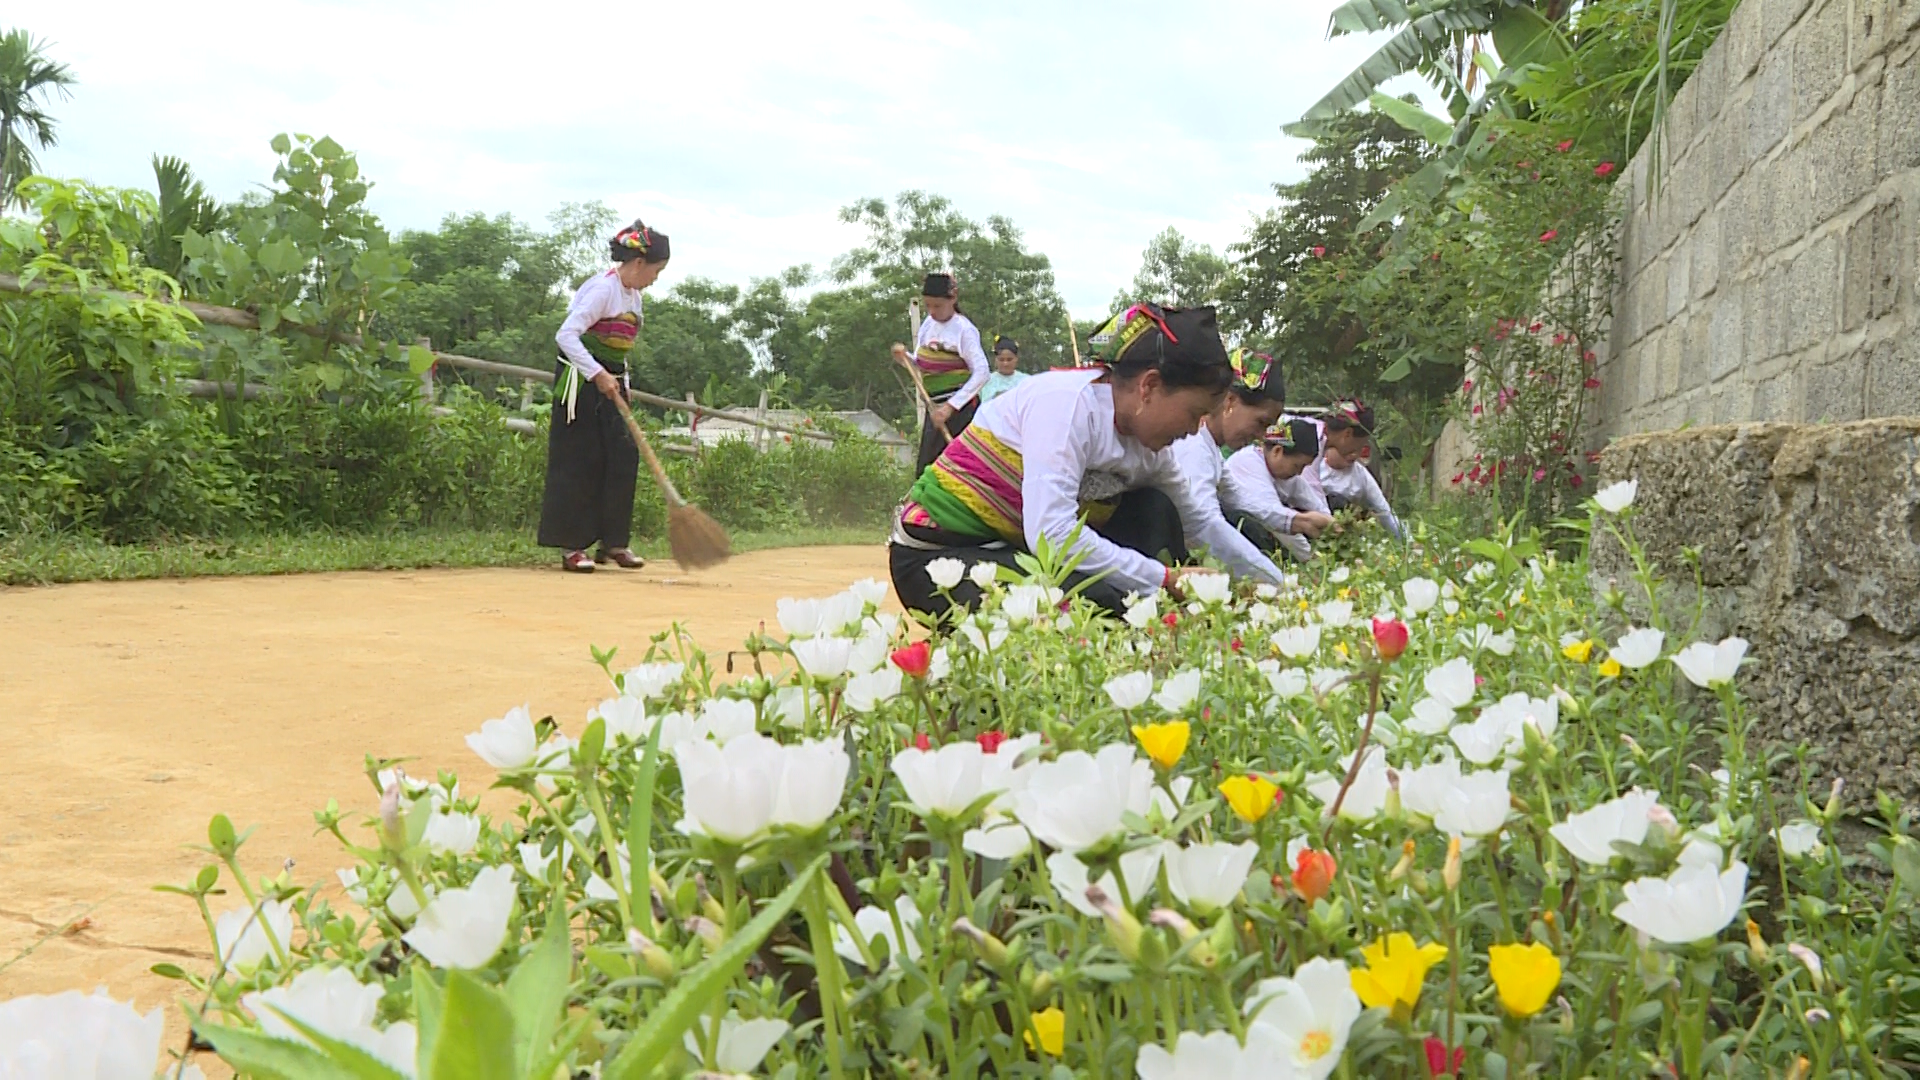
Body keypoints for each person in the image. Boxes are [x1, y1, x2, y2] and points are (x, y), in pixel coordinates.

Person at [888, 303, 1232, 619]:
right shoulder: (1067, 406)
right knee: (1092, 604)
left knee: (1156, 509)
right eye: (1194, 413)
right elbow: (1052, 534)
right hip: (939, 557)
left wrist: (1260, 584)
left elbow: (1199, 524)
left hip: (1015, 551)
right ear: (1150, 387)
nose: (1193, 431)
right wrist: (1164, 578)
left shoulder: (1152, 452)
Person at [537, 218, 670, 573]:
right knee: (581, 459)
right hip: (579, 383)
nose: (655, 279)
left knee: (623, 456)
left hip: (612, 383)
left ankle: (613, 542)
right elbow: (566, 335)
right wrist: (596, 374)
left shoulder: (634, 297)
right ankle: (572, 546)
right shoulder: (602, 290)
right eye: (656, 271)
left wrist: (621, 382)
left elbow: (619, 347)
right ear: (638, 263)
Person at [1159, 348, 1292, 585]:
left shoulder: (1211, 449)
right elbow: (1205, 525)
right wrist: (1277, 581)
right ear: (1230, 401)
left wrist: (1296, 521)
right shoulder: (1194, 446)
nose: (1261, 435)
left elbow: (1240, 498)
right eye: (1261, 422)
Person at [893, 272, 991, 474]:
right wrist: (904, 358)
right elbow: (921, 365)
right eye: (928, 305)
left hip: (961, 412)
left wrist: (949, 408)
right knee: (927, 470)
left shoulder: (964, 329)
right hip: (934, 408)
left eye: (937, 306)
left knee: (957, 470)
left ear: (952, 299)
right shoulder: (928, 325)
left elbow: (982, 372)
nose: (932, 311)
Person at [1222, 418, 1335, 561]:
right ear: (1277, 451)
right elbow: (1271, 515)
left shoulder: (1288, 476)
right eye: (1297, 466)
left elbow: (1314, 504)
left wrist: (1331, 523)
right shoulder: (1248, 463)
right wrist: (1309, 557)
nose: (1299, 472)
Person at [1316, 399, 1405, 539]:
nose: (1355, 454)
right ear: (1346, 435)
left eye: (1361, 448)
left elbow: (1385, 512)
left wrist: (1407, 541)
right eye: (1357, 446)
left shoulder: (1360, 475)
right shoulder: (1311, 464)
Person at [978, 336, 1030, 405]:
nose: (1005, 363)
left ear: (1016, 359)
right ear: (995, 359)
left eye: (1009, 359)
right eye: (1001, 360)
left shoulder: (1026, 381)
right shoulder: (986, 381)